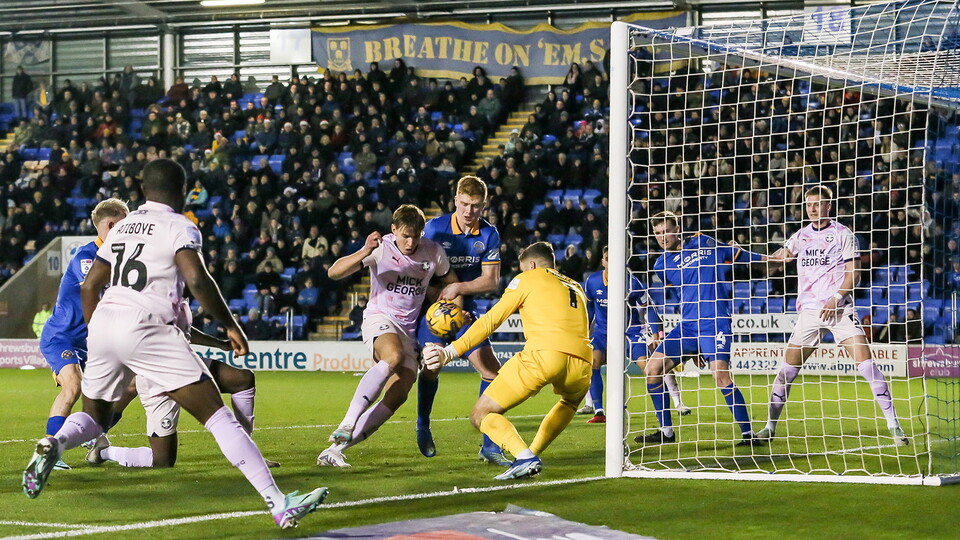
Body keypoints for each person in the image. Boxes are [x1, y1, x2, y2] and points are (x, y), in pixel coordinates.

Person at [22, 159, 326, 530]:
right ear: (182, 190)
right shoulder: (179, 225)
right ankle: (279, 504)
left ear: (143, 190)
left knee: (95, 416)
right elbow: (196, 279)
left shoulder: (121, 228)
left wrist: (98, 329)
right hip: (148, 327)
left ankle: (54, 444)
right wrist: (230, 325)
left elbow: (89, 287)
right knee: (217, 414)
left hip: (103, 325)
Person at [423, 242, 591, 480]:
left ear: (531, 265)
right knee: (570, 403)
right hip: (582, 363)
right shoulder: (576, 286)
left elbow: (492, 319)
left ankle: (524, 457)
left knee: (480, 414)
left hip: (544, 355)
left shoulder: (528, 278)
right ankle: (530, 454)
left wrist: (449, 352)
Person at [759, 186, 908, 445]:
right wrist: (739, 253)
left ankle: (894, 425)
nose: (812, 209)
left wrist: (836, 298)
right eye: (809, 204)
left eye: (818, 204)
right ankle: (769, 427)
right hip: (809, 312)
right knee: (786, 372)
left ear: (829, 206)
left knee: (867, 365)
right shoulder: (800, 236)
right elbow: (777, 259)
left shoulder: (843, 234)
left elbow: (855, 274)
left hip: (839, 309)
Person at [317, 204, 456, 468]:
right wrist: (364, 250)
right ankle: (348, 421)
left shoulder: (433, 252)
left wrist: (454, 310)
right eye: (405, 236)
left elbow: (452, 284)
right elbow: (334, 272)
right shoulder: (381, 248)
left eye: (416, 236)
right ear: (393, 230)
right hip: (380, 318)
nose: (411, 242)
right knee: (392, 356)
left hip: (408, 330)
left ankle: (335, 450)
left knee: (400, 393)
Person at [85, 299, 281, 469]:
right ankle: (104, 451)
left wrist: (219, 344)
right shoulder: (152, 295)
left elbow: (184, 330)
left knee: (242, 379)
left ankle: (247, 454)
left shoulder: (179, 293)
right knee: (162, 461)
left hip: (185, 363)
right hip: (158, 377)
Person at [637, 211, 767, 446]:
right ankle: (666, 432)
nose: (662, 237)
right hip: (687, 326)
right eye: (657, 233)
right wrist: (692, 348)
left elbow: (735, 253)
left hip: (714, 321)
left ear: (678, 229)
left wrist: (771, 259)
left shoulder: (703, 241)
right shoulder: (661, 265)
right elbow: (682, 293)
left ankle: (748, 435)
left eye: (666, 231)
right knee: (652, 369)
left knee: (720, 375)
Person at [415, 176, 509, 465]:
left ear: (484, 205)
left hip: (467, 315)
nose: (469, 211)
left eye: (476, 206)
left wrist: (458, 288)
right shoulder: (434, 228)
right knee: (432, 367)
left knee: (492, 373)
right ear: (455, 199)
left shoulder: (489, 234)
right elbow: (416, 273)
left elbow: (491, 280)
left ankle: (490, 445)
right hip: (433, 314)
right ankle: (423, 424)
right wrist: (442, 297)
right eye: (465, 204)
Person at [37, 199, 129, 470]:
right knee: (73, 387)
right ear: (110, 225)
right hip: (62, 336)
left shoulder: (123, 258)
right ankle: (49, 451)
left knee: (126, 387)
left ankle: (93, 433)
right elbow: (96, 295)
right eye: (126, 223)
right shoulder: (87, 257)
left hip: (92, 342)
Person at [579, 246, 688, 424]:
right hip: (603, 332)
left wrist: (656, 336)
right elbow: (589, 309)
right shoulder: (592, 281)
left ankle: (666, 408)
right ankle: (599, 411)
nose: (612, 262)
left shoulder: (632, 282)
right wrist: (584, 331)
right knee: (593, 362)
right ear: (603, 262)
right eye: (608, 259)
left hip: (630, 332)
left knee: (650, 369)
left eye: (615, 258)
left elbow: (649, 308)